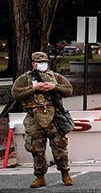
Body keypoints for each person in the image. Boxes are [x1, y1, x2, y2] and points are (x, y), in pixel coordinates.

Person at [11, 52, 74, 188]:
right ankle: (40, 177)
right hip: (34, 119)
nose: (43, 64)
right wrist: (33, 88)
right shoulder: (25, 78)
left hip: (54, 117)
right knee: (36, 149)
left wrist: (54, 87)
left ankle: (65, 173)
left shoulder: (56, 77)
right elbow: (16, 93)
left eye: (45, 62)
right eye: (40, 62)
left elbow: (69, 90)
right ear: (33, 64)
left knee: (59, 147)